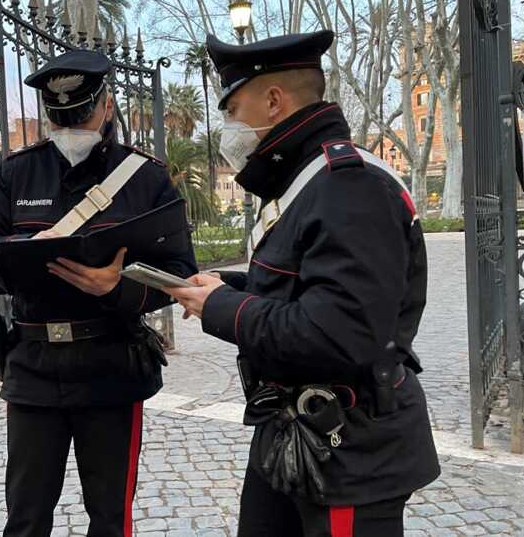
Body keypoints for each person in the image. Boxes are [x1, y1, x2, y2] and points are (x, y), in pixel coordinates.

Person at [165, 31, 440, 536]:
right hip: (293, 432)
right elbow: (306, 282)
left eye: (231, 110)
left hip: (348, 451)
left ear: (273, 101)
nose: (227, 127)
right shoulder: (307, 179)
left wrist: (223, 308)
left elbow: (339, 332)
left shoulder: (349, 186)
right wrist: (227, 286)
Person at [0, 50, 198, 537]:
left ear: (106, 106)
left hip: (110, 365)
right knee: (25, 519)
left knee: (111, 519)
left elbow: (180, 273)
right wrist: (22, 248)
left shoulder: (145, 179)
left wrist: (119, 286)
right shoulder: (17, 173)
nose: (71, 125)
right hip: (34, 366)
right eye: (60, 116)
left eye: (81, 113)